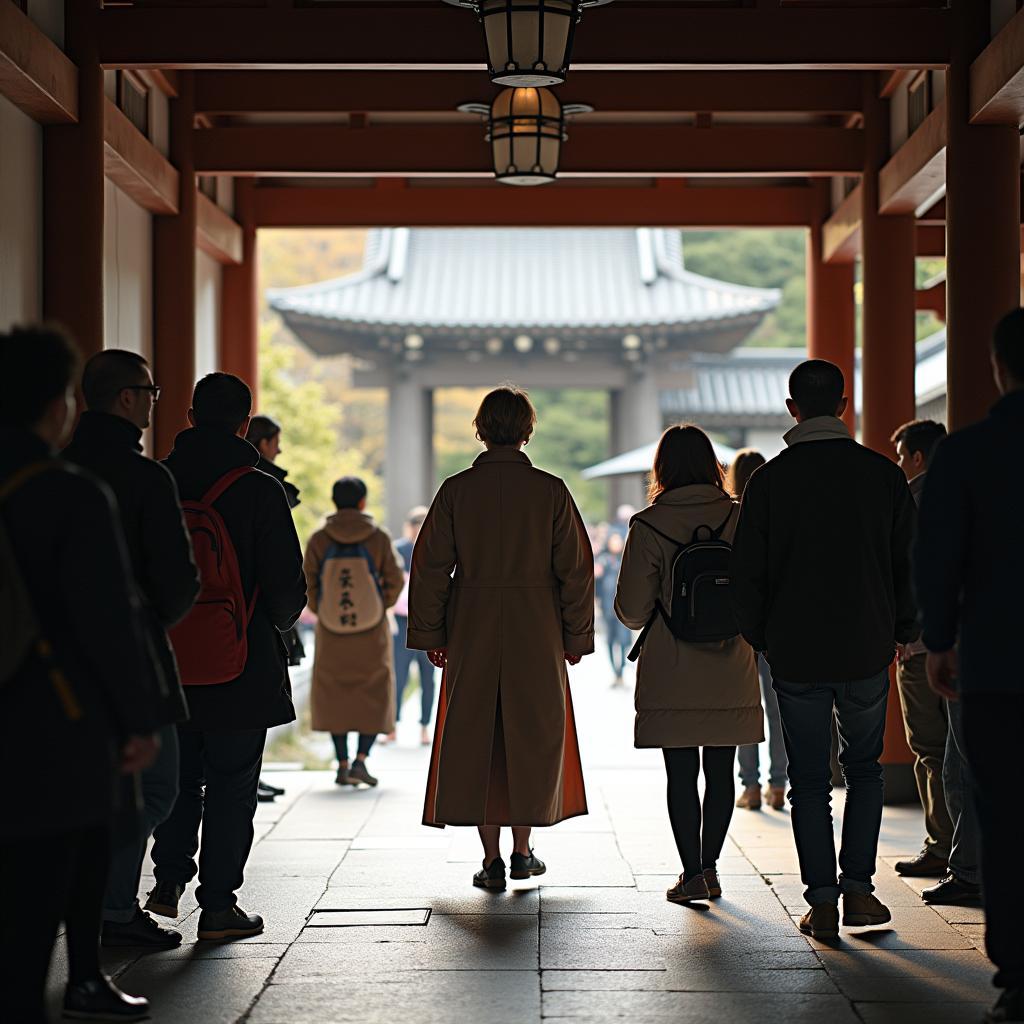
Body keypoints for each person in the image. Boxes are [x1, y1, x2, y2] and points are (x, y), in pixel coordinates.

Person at [0, 325, 160, 1022]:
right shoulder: (67, 491)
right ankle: (79, 981)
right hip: (50, 710)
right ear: (58, 403)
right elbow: (108, 617)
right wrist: (139, 717)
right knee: (55, 866)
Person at [731, 359, 917, 940]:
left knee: (809, 780)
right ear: (843, 406)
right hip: (866, 645)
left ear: (793, 409)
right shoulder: (881, 475)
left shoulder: (771, 481)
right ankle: (859, 889)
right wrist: (903, 629)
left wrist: (765, 638)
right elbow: (907, 564)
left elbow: (748, 575)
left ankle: (823, 900)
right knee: (864, 771)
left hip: (797, 651)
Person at [408, 386, 594, 891]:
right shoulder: (551, 491)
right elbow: (576, 571)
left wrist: (433, 632)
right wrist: (575, 635)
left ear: (481, 430)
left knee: (479, 735)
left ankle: (489, 858)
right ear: (527, 430)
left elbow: (428, 569)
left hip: (473, 622)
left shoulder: (456, 491)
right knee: (532, 734)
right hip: (537, 626)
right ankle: (522, 849)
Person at [146, 373, 306, 941]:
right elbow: (288, 589)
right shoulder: (260, 488)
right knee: (233, 784)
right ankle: (217, 905)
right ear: (245, 423)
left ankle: (166, 882)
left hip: (166, 660)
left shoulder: (156, 480)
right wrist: (272, 628)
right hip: (242, 661)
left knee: (177, 776)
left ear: (189, 417)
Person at [64, 349, 200, 949]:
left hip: (52, 663)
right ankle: (110, 908)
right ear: (127, 398)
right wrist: (149, 623)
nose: (153, 401)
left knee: (78, 787)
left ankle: (89, 901)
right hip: (130, 658)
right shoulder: (143, 476)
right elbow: (177, 580)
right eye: (151, 391)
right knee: (156, 788)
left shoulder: (53, 470)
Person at [914, 308, 1024, 1024]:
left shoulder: (968, 452)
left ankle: (1019, 971)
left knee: (1007, 814)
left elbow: (938, 558)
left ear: (997, 365)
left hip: (998, 661)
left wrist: (940, 640)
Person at [615, 425, 763, 903]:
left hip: (671, 662)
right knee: (721, 770)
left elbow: (631, 610)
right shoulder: (741, 518)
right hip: (730, 659)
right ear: (710, 466)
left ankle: (690, 872)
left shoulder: (649, 524)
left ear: (662, 468)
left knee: (680, 772)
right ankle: (711, 868)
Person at [890, 419, 980, 899]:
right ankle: (954, 851)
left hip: (930, 645)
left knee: (937, 750)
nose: (900, 465)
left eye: (902, 456)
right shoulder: (967, 492)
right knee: (953, 754)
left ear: (918, 458)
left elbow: (918, 575)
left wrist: (913, 637)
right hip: (962, 640)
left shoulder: (920, 501)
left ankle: (950, 851)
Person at [304, 476, 404, 787]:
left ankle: (342, 763)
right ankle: (361, 760)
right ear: (362, 502)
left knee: (334, 695)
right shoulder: (378, 538)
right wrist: (379, 606)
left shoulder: (320, 539)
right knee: (374, 694)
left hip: (332, 631)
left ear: (335, 501)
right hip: (371, 632)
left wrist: (323, 610)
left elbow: (306, 583)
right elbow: (396, 579)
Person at [245, 413, 304, 803]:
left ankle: (173, 866)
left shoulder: (168, 476)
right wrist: (283, 624)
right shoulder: (264, 488)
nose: (279, 449)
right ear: (263, 442)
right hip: (256, 621)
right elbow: (286, 573)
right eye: (276, 441)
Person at [727, 448, 788, 812]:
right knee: (778, 707)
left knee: (744, 708)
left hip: (738, 629)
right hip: (777, 626)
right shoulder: (778, 512)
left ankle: (750, 786)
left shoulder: (729, 516)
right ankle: (778, 784)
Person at [388, 505, 437, 746]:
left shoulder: (437, 550)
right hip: (402, 619)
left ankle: (425, 727)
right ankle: (392, 726)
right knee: (399, 675)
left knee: (428, 678)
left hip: (428, 620)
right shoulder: (398, 550)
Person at [596, 532, 633, 686]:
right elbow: (596, 585)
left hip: (623, 608)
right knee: (610, 641)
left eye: (618, 541)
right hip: (607, 606)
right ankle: (615, 673)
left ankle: (621, 672)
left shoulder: (626, 560)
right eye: (613, 541)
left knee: (624, 641)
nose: (616, 544)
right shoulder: (602, 560)